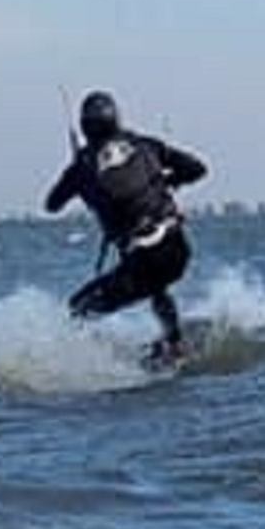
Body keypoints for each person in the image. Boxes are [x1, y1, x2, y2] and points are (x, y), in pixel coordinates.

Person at [45, 91, 207, 361]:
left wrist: (76, 175)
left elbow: (52, 205)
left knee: (77, 308)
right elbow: (198, 169)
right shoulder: (145, 144)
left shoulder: (82, 166)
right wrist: (168, 182)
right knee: (157, 284)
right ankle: (175, 341)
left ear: (85, 127)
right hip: (178, 252)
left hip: (142, 264)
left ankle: (96, 363)